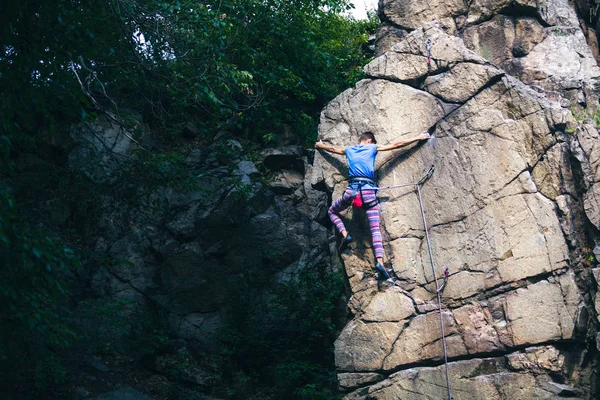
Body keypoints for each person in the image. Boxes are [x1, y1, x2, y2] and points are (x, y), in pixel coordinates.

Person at [315, 131, 430, 279]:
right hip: (369, 192)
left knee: (332, 211)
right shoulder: (373, 147)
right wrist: (418, 137)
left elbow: (333, 150)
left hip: (352, 192)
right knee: (375, 229)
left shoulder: (349, 150)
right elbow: (397, 145)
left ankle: (345, 234)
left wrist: (320, 145)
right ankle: (380, 262)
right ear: (369, 141)